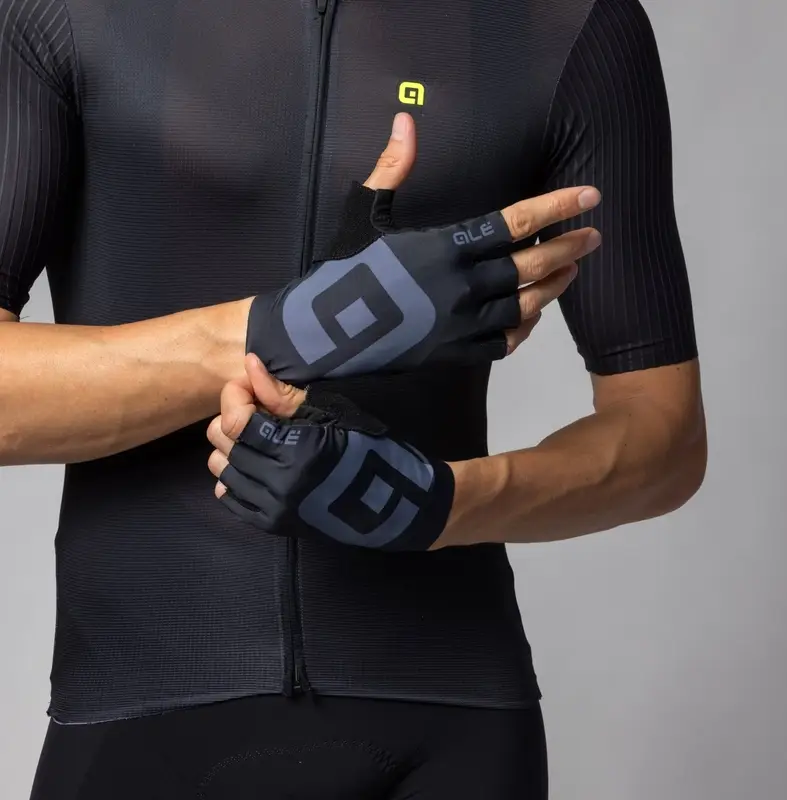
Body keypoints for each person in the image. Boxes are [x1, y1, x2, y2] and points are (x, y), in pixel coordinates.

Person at [0, 0, 706, 796]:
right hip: (140, 712)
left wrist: (440, 505)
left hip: (450, 724)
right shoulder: (61, 12)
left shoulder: (567, 23)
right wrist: (296, 327)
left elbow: (665, 438)